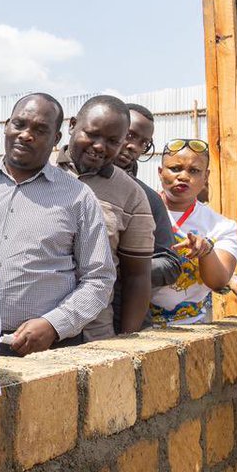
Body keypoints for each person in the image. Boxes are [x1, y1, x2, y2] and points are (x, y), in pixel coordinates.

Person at [0, 93, 115, 356]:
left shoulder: (77, 196)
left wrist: (54, 325)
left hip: (48, 350)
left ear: (56, 139)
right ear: (7, 126)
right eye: (19, 124)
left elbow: (99, 278)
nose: (25, 135)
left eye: (40, 129)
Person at [55, 95, 155, 337]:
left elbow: (137, 276)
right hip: (27, 330)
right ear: (72, 125)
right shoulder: (41, 174)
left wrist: (126, 344)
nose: (100, 146)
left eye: (112, 141)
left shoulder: (132, 194)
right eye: (92, 134)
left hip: (93, 337)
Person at [149, 138, 237, 325]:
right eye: (175, 169)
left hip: (192, 325)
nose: (183, 176)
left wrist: (206, 251)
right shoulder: (139, 211)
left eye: (194, 171)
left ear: (205, 176)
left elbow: (218, 282)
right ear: (160, 172)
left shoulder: (220, 226)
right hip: (138, 324)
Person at [113, 103, 183, 290]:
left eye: (143, 143)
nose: (134, 147)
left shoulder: (146, 197)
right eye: (130, 135)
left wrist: (121, 269)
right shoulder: (67, 181)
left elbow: (169, 263)